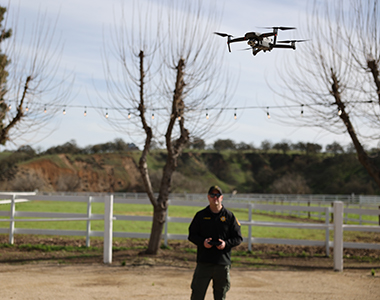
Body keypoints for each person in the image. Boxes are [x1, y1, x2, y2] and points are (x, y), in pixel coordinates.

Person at [188, 185, 243, 300]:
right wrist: (203, 242)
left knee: (220, 296)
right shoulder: (200, 215)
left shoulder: (229, 216)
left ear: (222, 197)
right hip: (204, 262)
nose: (215, 198)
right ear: (208, 197)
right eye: (212, 195)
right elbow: (192, 235)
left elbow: (238, 238)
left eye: (217, 195)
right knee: (197, 294)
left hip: (222, 263)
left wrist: (225, 244)